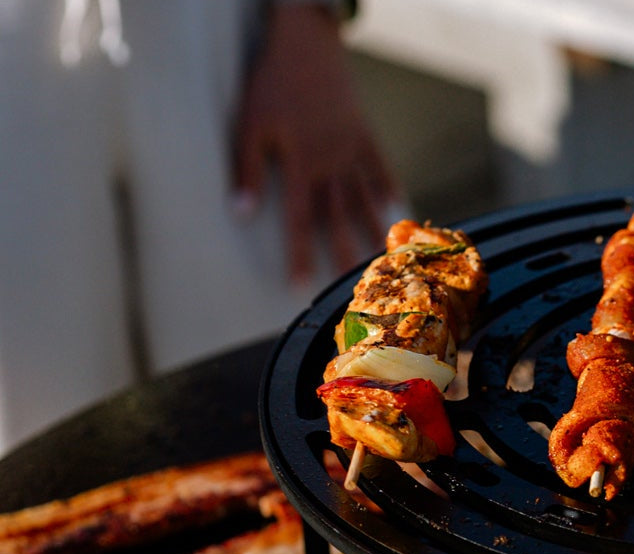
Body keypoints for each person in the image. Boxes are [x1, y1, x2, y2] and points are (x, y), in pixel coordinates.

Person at [0, 0, 401, 454]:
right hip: (12, 57)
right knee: (44, 434)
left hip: (220, 32)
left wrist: (311, 16)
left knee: (316, 391)